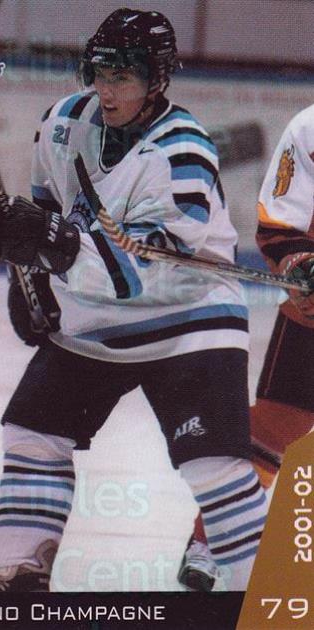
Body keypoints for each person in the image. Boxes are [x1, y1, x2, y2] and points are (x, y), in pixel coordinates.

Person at [0, 7, 268, 592]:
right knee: (32, 434)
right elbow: (48, 211)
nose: (107, 91)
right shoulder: (62, 123)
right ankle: (23, 575)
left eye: (123, 77)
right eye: (100, 74)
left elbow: (142, 271)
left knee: (213, 464)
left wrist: (58, 249)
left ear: (156, 80)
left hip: (188, 318)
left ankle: (262, 592)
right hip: (96, 322)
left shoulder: (183, 152)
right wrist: (28, 273)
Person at [178, 104, 314, 591]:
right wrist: (301, 265)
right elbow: (280, 223)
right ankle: (213, 540)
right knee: (277, 425)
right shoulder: (310, 128)